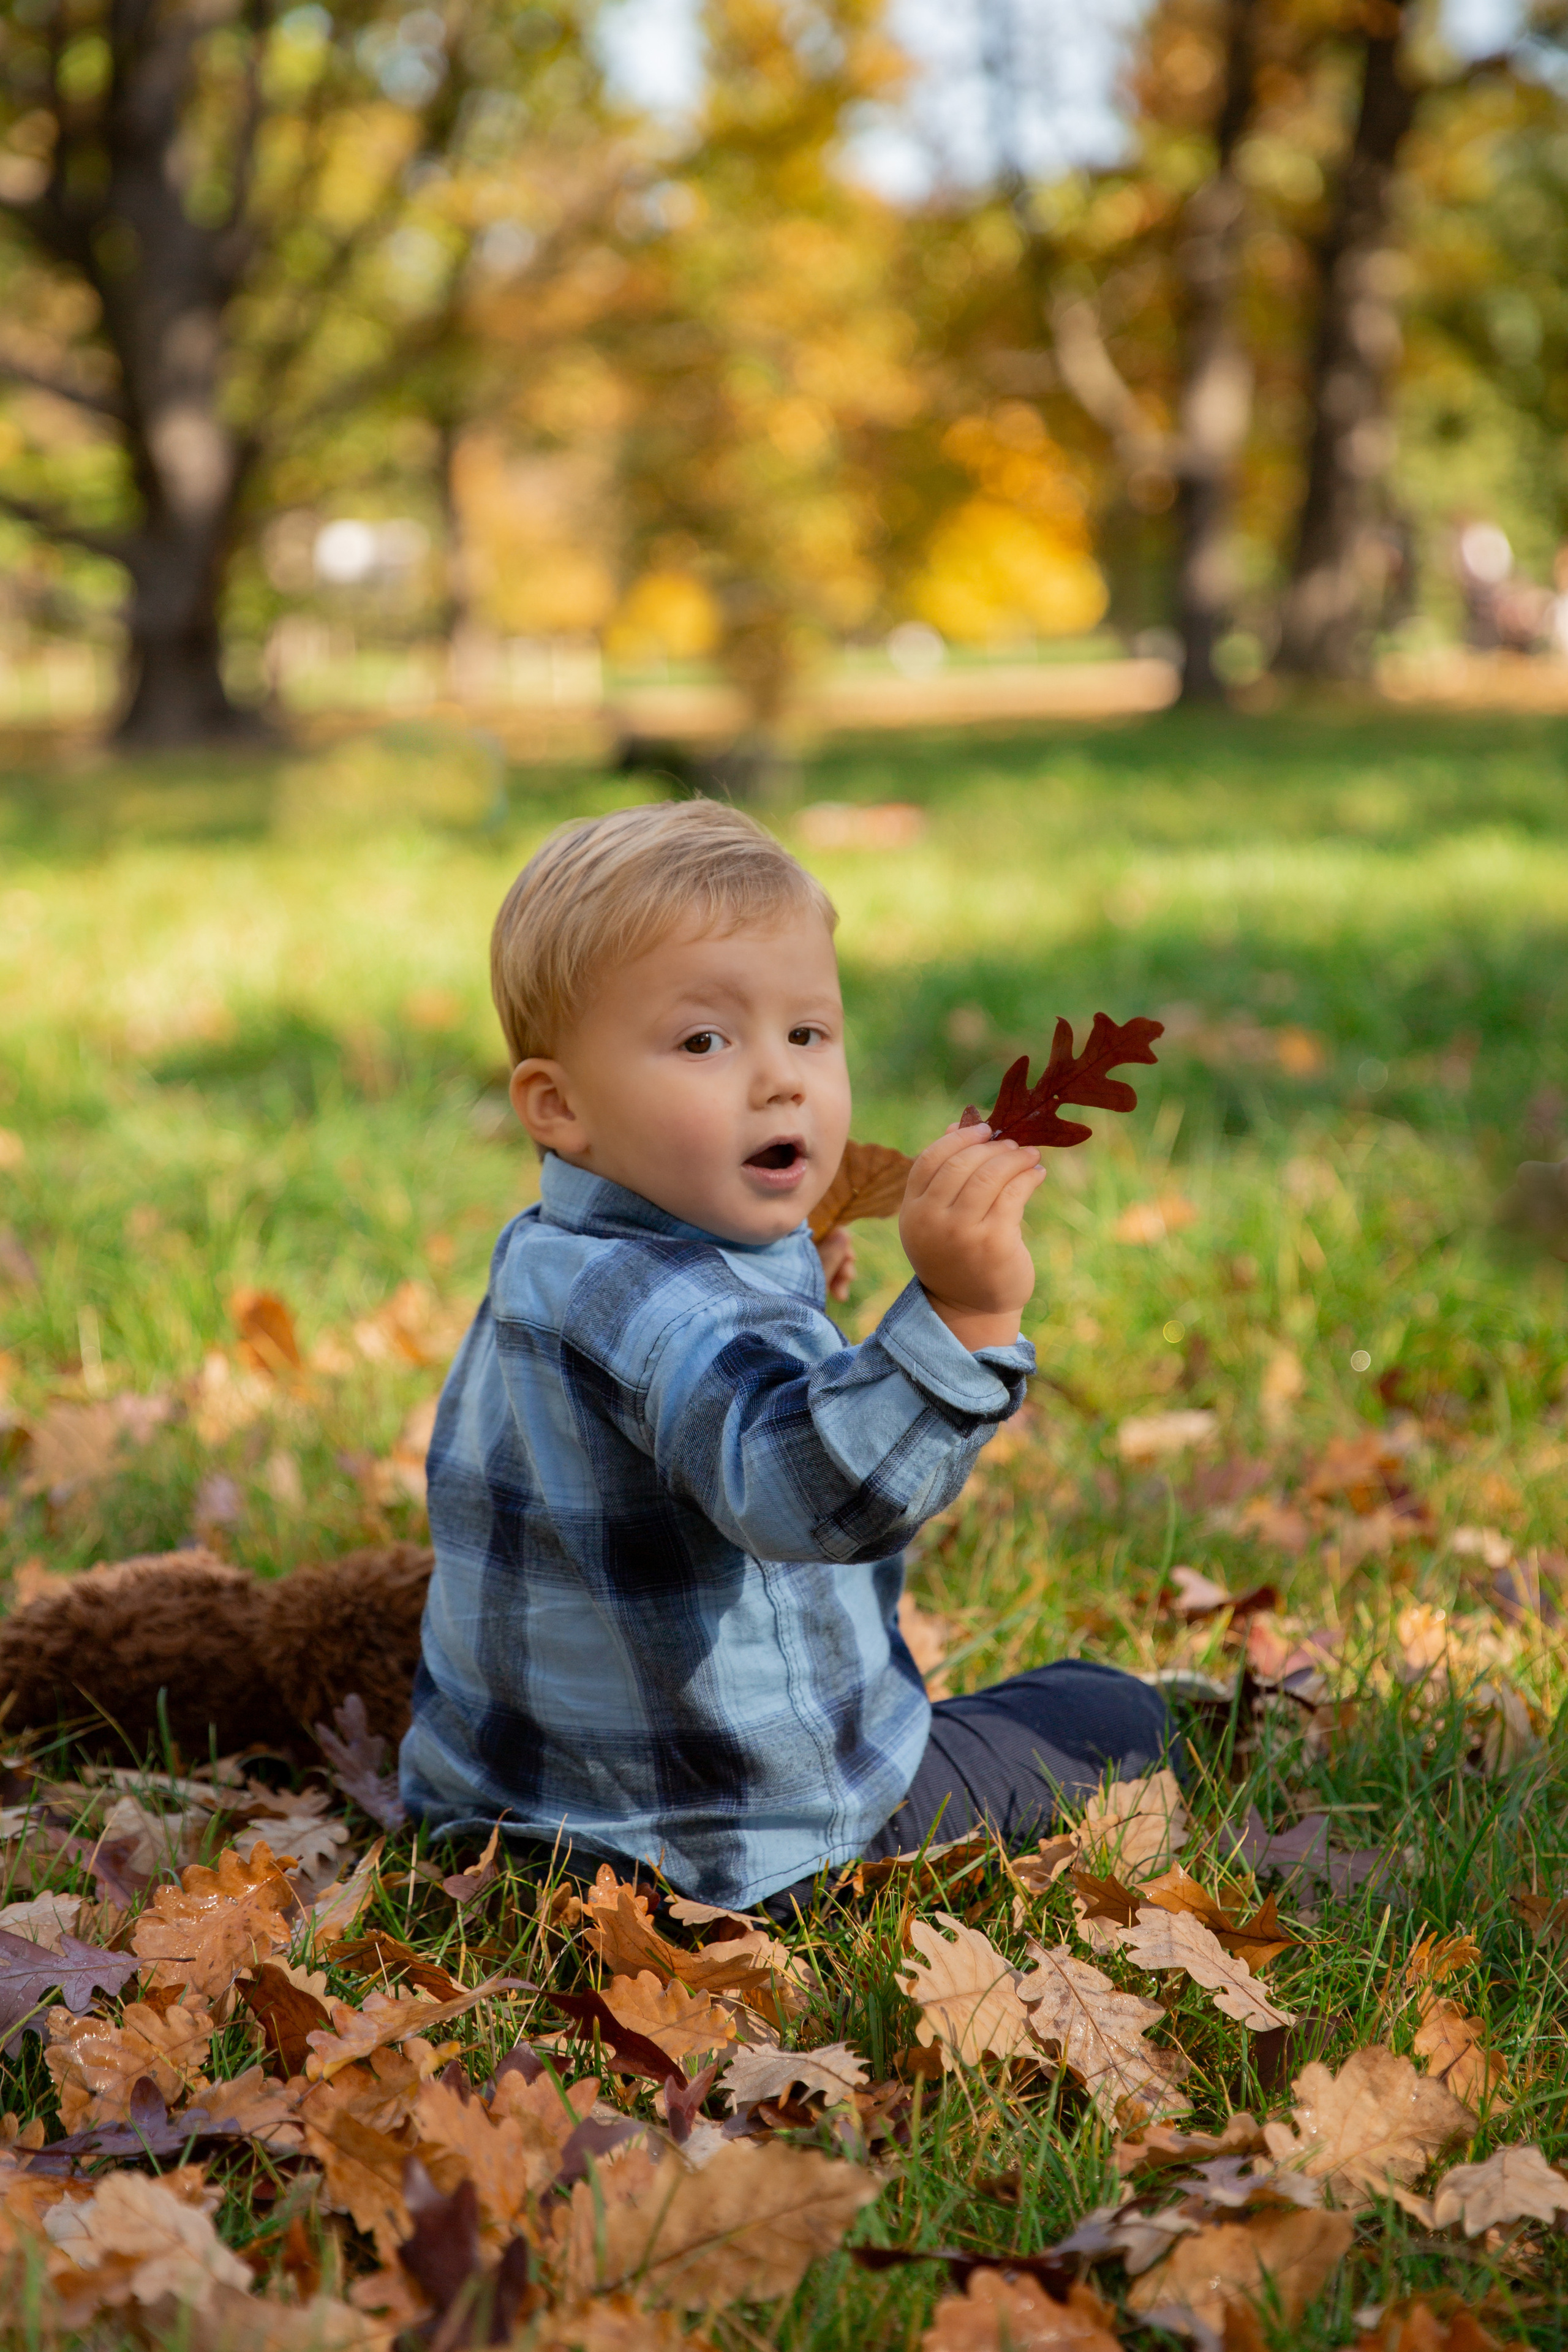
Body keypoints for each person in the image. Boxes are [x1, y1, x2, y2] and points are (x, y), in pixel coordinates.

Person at [400, 799, 1168, 1911]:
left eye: (808, 1033)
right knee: (1111, 1710)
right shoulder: (680, 1312)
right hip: (739, 1842)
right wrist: (960, 1315)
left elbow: (678, 1385)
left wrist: (792, 1266)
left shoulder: (550, 1257)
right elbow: (816, 1496)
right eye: (706, 1041)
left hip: (506, 1808)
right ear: (558, 1104)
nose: (781, 1079)